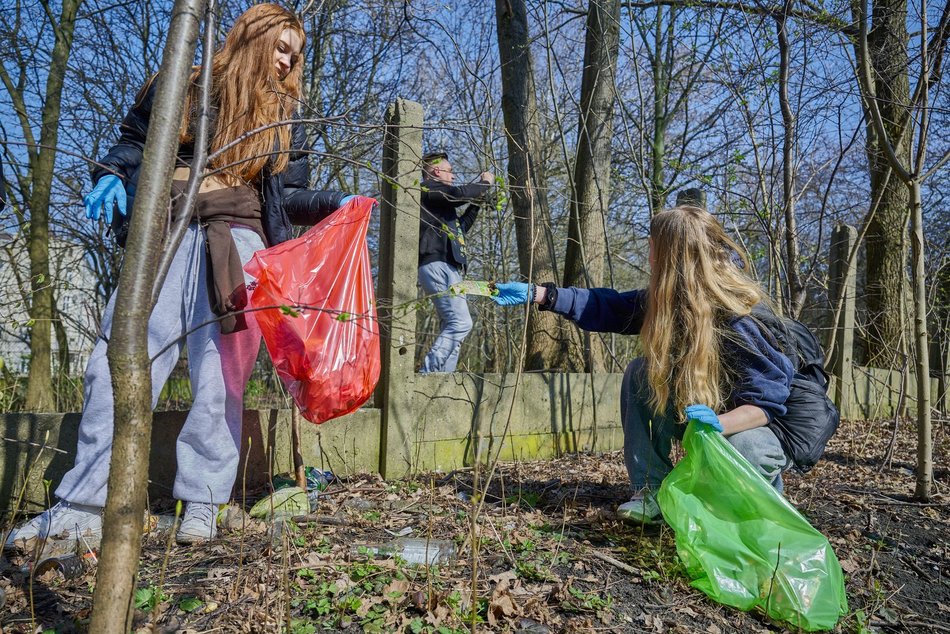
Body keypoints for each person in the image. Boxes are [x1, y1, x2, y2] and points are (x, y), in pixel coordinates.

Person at [6, 4, 354, 548]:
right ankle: (81, 505)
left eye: (296, 52)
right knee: (116, 361)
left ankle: (203, 503)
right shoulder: (184, 85)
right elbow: (133, 142)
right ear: (249, 38)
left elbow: (285, 197)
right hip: (162, 234)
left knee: (222, 379)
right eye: (280, 45)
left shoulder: (284, 119)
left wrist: (336, 202)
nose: (287, 60)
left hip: (236, 245)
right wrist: (114, 174)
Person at [490, 206, 795, 523]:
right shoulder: (668, 301)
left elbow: (766, 406)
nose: (649, 257)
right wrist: (541, 294)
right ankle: (652, 491)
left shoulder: (739, 320)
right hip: (706, 417)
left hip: (757, 429)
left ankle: (760, 509)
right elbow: (608, 307)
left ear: (672, 256)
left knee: (748, 449)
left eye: (653, 249)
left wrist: (720, 424)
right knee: (642, 372)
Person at [417, 150, 493, 373]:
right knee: (461, 323)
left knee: (453, 328)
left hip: (450, 266)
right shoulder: (428, 190)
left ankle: (441, 382)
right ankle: (428, 373)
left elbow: (460, 229)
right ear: (436, 171)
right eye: (450, 172)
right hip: (437, 264)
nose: (453, 176)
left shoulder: (441, 205)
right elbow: (459, 193)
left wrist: (477, 203)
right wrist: (484, 183)